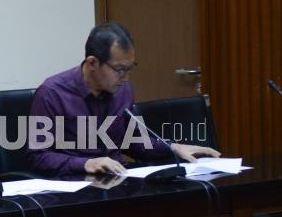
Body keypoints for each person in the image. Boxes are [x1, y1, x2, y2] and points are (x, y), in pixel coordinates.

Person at [27, 22, 220, 176]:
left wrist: (174, 148)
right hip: (73, 186)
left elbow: (133, 142)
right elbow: (37, 156)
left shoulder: (122, 89)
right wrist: (86, 163)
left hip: (117, 180)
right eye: (120, 69)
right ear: (93, 63)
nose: (126, 77)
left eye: (130, 68)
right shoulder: (52, 93)